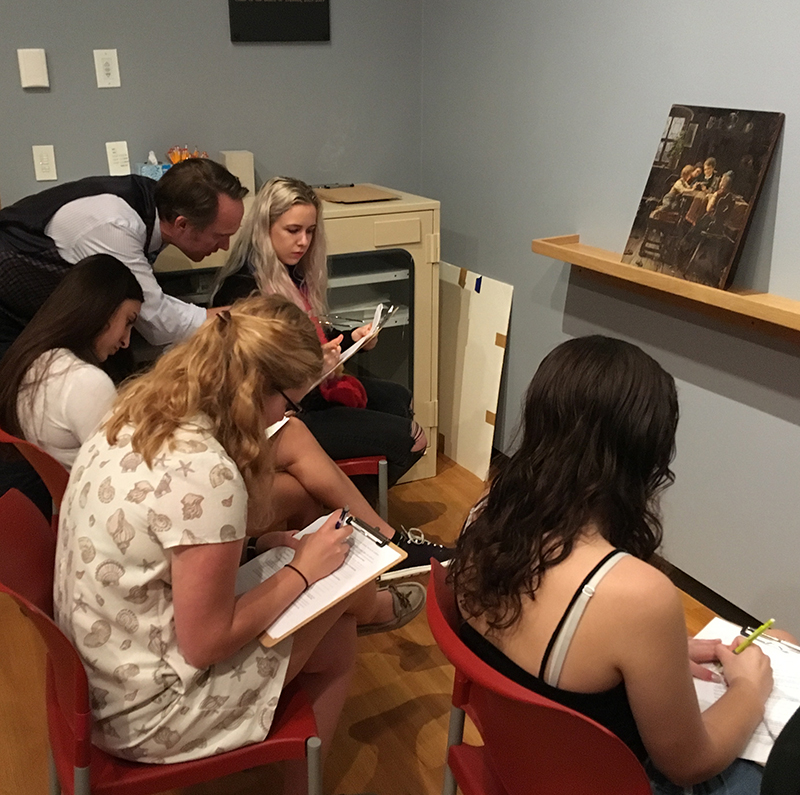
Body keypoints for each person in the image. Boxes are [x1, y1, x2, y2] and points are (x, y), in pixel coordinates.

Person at [53, 295, 423, 792]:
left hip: (96, 677)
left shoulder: (133, 413)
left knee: (317, 601)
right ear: (256, 391)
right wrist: (303, 571)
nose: (285, 416)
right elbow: (206, 643)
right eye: (288, 403)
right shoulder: (206, 472)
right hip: (146, 715)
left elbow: (163, 549)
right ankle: (369, 610)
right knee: (332, 626)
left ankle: (368, 607)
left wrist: (263, 548)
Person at [452, 335, 777, 793]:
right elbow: (688, 763)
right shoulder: (636, 594)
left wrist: (660, 657)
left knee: (776, 640)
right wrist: (749, 691)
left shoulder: (486, 515)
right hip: (596, 780)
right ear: (645, 452)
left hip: (516, 761)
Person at [211, 176, 452, 578]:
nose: (303, 242)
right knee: (411, 436)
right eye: (292, 231)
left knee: (397, 397)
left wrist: (348, 339)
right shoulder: (244, 290)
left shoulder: (292, 274)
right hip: (282, 411)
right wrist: (314, 365)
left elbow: (306, 338)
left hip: (306, 392)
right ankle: (363, 522)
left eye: (310, 231)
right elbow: (259, 381)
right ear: (263, 228)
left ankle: (351, 513)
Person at [0, 157, 245, 359]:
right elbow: (157, 322)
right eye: (219, 236)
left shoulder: (154, 204)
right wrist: (244, 318)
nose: (224, 247)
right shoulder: (113, 225)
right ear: (182, 224)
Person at [0, 254, 143, 470]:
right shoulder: (84, 381)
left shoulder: (36, 360)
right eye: (128, 322)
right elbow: (124, 467)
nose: (126, 341)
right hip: (96, 498)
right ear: (102, 310)